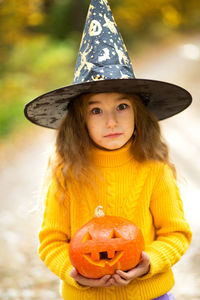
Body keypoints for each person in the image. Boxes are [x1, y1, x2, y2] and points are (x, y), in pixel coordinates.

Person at [24, 1, 192, 299]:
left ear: (138, 113)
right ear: (79, 120)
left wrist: (149, 261)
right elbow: (52, 242)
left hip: (150, 294)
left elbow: (175, 234)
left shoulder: (153, 168)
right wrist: (75, 273)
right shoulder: (66, 173)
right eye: (96, 110)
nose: (112, 120)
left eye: (122, 106)